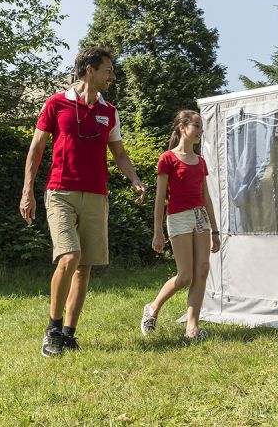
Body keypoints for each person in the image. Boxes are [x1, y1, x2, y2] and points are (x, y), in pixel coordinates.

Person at [20, 47, 147, 357]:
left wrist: (134, 178)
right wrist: (27, 191)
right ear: (90, 70)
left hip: (96, 194)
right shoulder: (56, 103)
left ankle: (68, 335)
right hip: (60, 191)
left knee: (84, 267)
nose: (112, 75)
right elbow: (36, 148)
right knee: (70, 256)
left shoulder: (110, 111)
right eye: (108, 69)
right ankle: (52, 330)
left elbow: (119, 153)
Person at [140, 110, 221, 340]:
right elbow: (160, 198)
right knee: (185, 275)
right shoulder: (167, 158)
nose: (200, 131)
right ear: (182, 127)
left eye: (201, 127)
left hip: (201, 217)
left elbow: (206, 197)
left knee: (202, 270)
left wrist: (215, 230)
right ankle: (152, 308)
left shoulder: (200, 161)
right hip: (178, 217)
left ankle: (192, 328)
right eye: (196, 126)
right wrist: (157, 232)